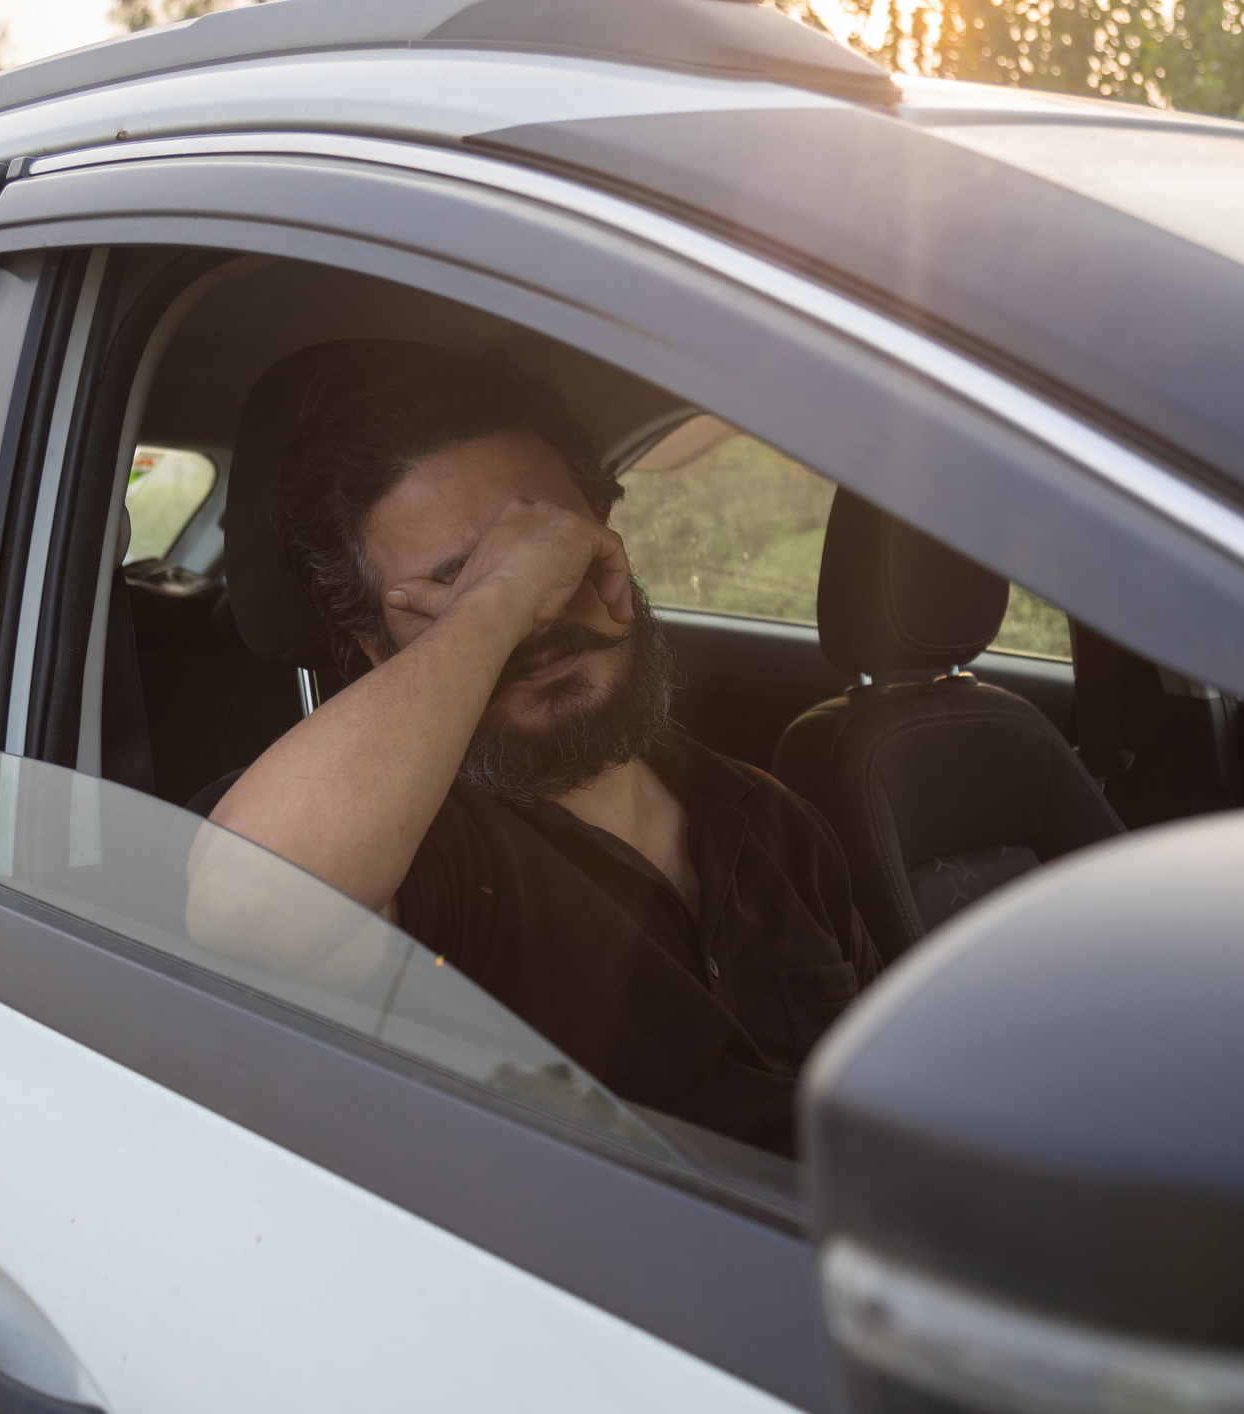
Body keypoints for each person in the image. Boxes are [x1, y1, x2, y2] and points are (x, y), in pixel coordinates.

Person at [209, 347, 882, 1155]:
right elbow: (249, 907)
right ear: (383, 653)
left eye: (553, 549)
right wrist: (502, 593)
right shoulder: (419, 858)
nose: (542, 614)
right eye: (458, 585)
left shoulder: (772, 819)